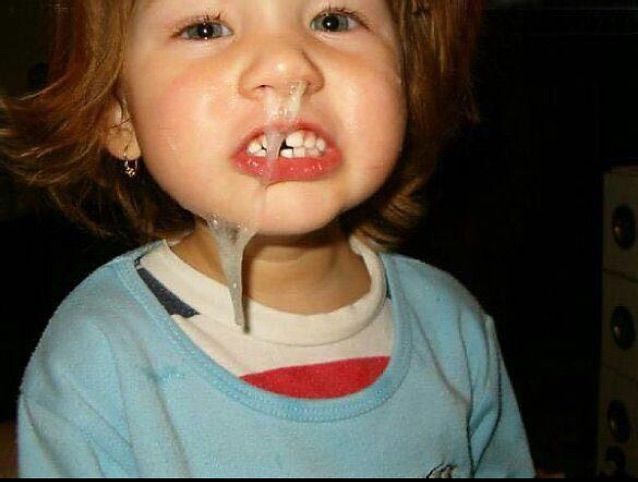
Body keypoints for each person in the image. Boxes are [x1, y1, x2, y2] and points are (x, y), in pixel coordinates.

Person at [0, 0, 534, 477]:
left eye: (333, 20)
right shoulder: (97, 362)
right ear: (119, 118)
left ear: (405, 79)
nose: (287, 67)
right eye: (206, 28)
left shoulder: (454, 331)